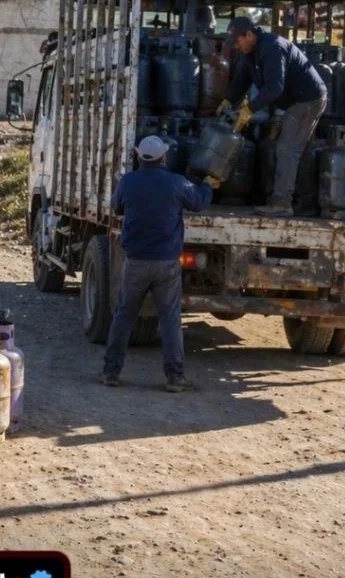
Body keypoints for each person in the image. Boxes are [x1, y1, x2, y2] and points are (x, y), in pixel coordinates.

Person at [99, 136, 216, 393]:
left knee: (124, 316)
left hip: (136, 262)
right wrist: (207, 185)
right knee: (170, 319)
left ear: (139, 157)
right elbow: (198, 202)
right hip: (166, 264)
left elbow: (117, 207)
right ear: (164, 157)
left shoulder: (128, 183)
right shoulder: (176, 183)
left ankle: (110, 372)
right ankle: (174, 378)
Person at [217, 16, 328, 217]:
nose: (235, 46)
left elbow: (275, 88)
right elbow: (242, 78)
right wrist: (228, 100)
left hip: (308, 99)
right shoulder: (249, 52)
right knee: (300, 152)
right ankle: (308, 204)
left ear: (249, 34)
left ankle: (282, 203)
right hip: (297, 100)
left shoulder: (272, 48)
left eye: (237, 41)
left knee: (286, 148)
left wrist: (249, 109)